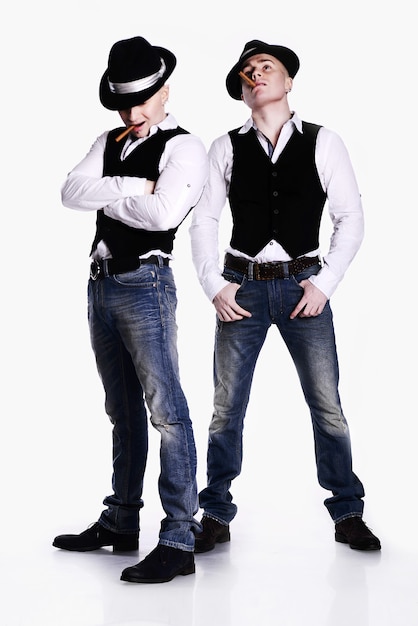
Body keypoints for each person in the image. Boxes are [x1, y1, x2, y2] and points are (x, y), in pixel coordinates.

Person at [189, 39, 381, 553]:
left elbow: (350, 219)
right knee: (226, 408)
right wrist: (214, 284)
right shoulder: (224, 146)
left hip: (304, 288)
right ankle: (215, 512)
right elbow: (204, 219)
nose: (255, 75)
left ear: (289, 80)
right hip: (241, 287)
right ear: (242, 90)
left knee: (328, 406)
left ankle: (347, 512)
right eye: (247, 71)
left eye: (265, 67)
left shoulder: (324, 141)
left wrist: (324, 283)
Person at [53, 36, 208, 583]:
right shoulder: (109, 138)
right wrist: (131, 184)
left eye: (143, 101)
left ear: (166, 92)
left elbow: (164, 214)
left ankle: (179, 539)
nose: (133, 114)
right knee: (121, 412)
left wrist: (108, 192)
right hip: (99, 285)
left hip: (145, 284)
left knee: (167, 412)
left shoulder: (186, 148)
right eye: (124, 104)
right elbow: (71, 191)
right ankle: (121, 523)